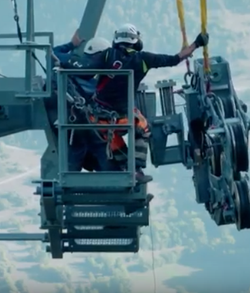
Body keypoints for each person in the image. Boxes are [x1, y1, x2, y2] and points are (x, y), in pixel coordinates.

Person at [64, 24, 209, 184]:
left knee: (110, 137)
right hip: (123, 117)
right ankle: (136, 168)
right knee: (144, 128)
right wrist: (196, 43)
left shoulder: (107, 55)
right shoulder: (144, 59)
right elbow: (175, 59)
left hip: (97, 119)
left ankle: (127, 167)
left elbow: (85, 70)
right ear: (136, 41)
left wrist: (61, 63)